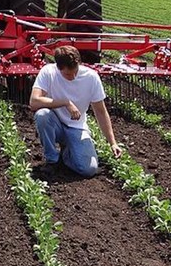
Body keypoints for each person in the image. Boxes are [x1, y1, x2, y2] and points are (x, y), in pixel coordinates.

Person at [29, 45, 122, 177]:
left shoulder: (91, 77)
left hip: (76, 127)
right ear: (58, 67)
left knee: (88, 169)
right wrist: (65, 102)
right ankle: (52, 161)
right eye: (67, 74)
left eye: (75, 71)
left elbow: (101, 112)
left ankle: (66, 154)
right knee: (42, 115)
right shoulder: (48, 72)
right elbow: (34, 102)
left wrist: (113, 143)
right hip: (54, 124)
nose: (72, 77)